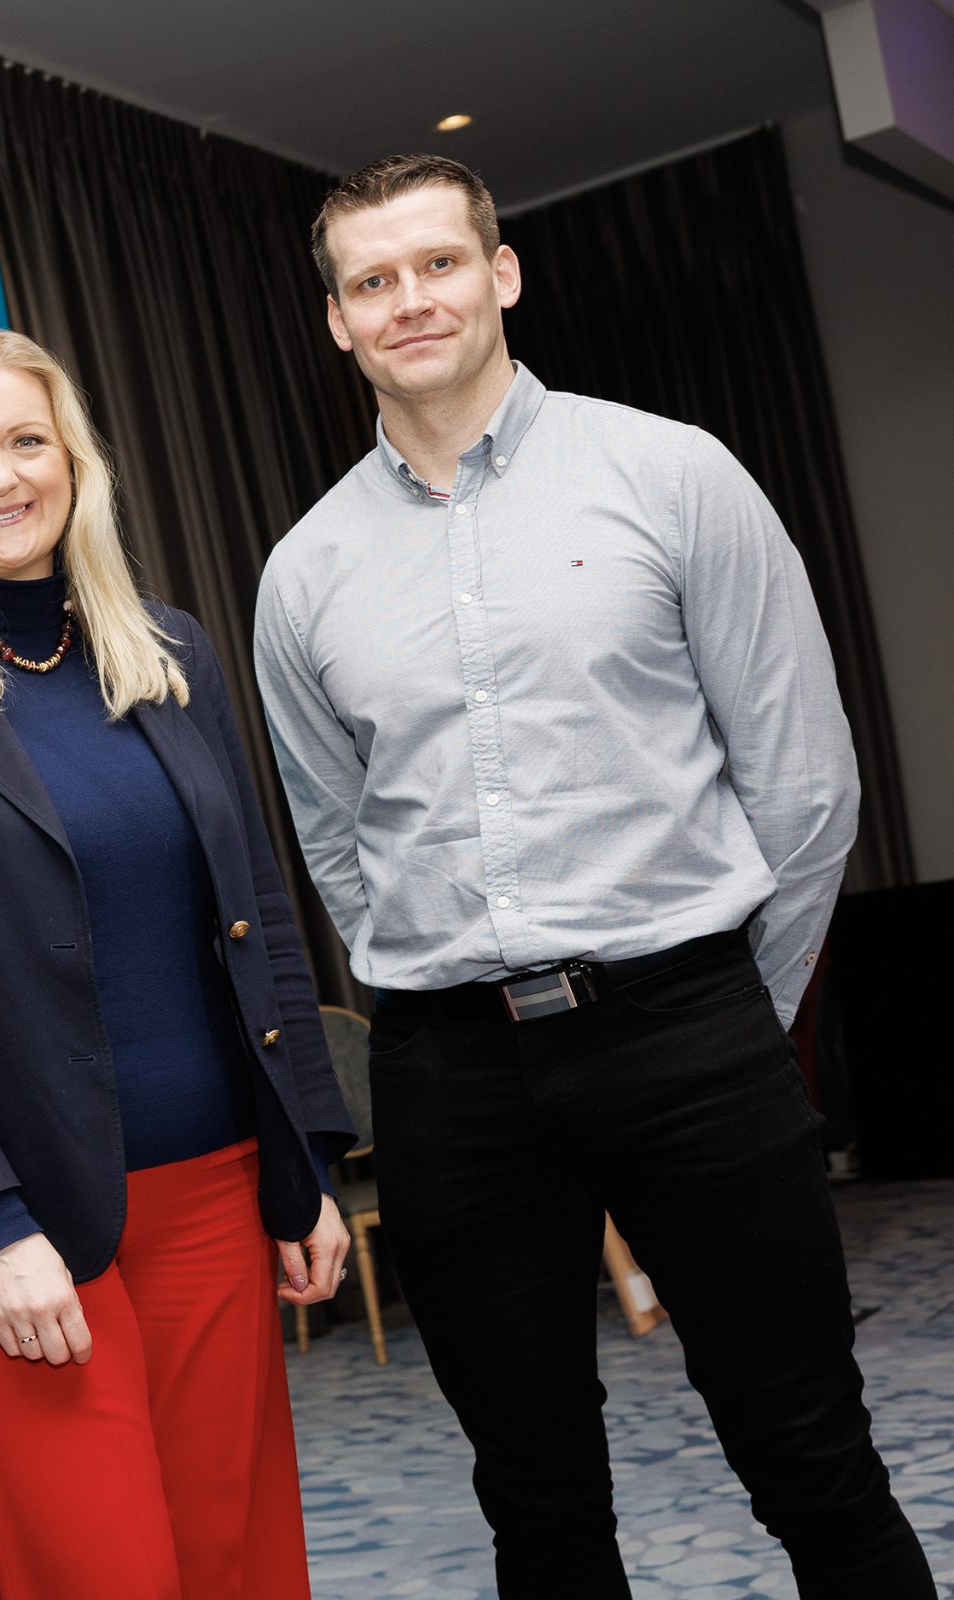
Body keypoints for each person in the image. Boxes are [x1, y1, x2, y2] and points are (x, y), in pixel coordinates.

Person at [254, 153, 931, 1597]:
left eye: (439, 263)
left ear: (502, 275)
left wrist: (721, 1007)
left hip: (689, 1033)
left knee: (809, 1451)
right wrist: (445, 990)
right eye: (372, 281)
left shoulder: (670, 472)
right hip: (455, 1081)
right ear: (336, 322)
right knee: (535, 1499)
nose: (409, 300)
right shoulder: (304, 572)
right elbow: (332, 833)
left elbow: (805, 787)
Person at [0, 328, 356, 1600]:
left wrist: (303, 1160)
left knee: (236, 1566)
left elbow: (255, 906)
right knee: (105, 1577)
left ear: (76, 463)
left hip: (212, 1197)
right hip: (22, 1226)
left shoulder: (168, 653)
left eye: (25, 441)